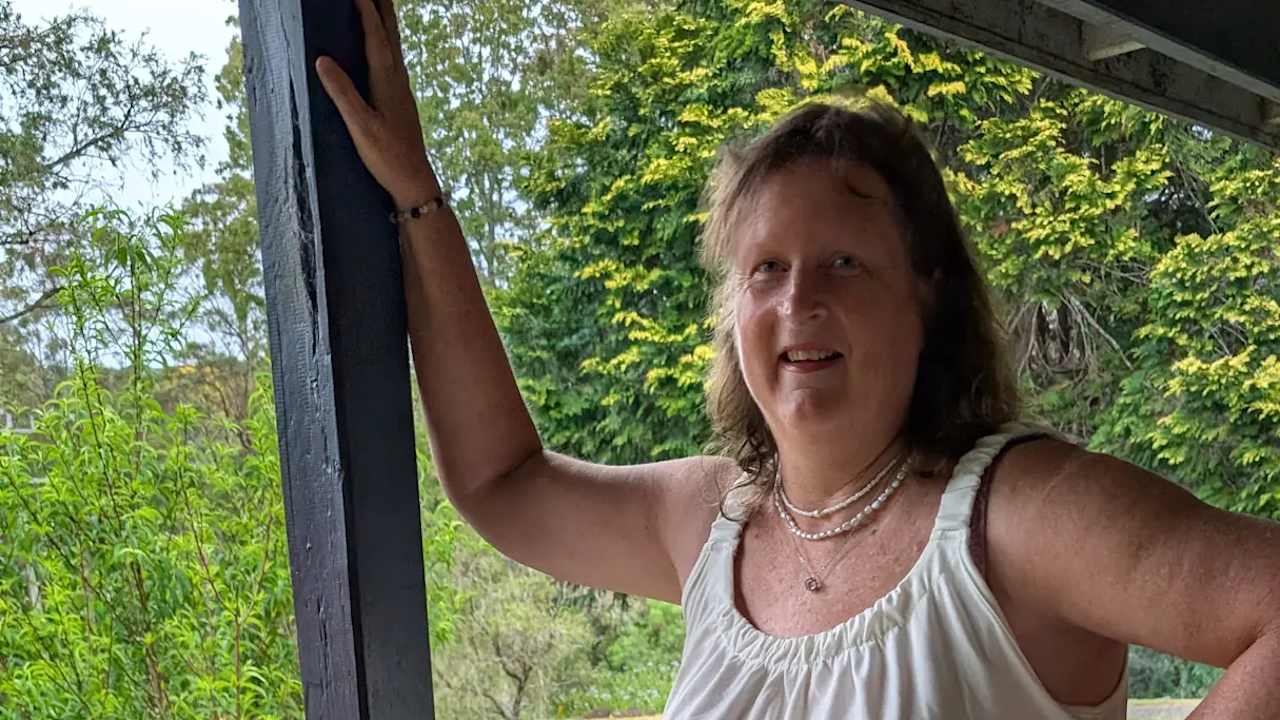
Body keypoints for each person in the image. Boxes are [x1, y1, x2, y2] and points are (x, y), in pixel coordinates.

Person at [314, 0, 1280, 716]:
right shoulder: (710, 521)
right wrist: (419, 201)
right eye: (766, 268)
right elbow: (503, 483)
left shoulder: (1021, 517)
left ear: (927, 290)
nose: (797, 302)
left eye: (845, 263)